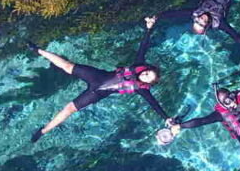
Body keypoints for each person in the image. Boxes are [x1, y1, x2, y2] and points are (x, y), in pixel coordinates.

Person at [28, 18, 171, 142]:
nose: (144, 76)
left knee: (69, 109)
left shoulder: (142, 90)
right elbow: (143, 47)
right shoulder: (138, 65)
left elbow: (154, 104)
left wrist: (166, 118)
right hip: (97, 76)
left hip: (98, 93)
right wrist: (149, 29)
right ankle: (38, 50)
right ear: (145, 70)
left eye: (147, 78)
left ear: (147, 84)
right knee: (67, 66)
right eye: (146, 73)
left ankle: (43, 131)